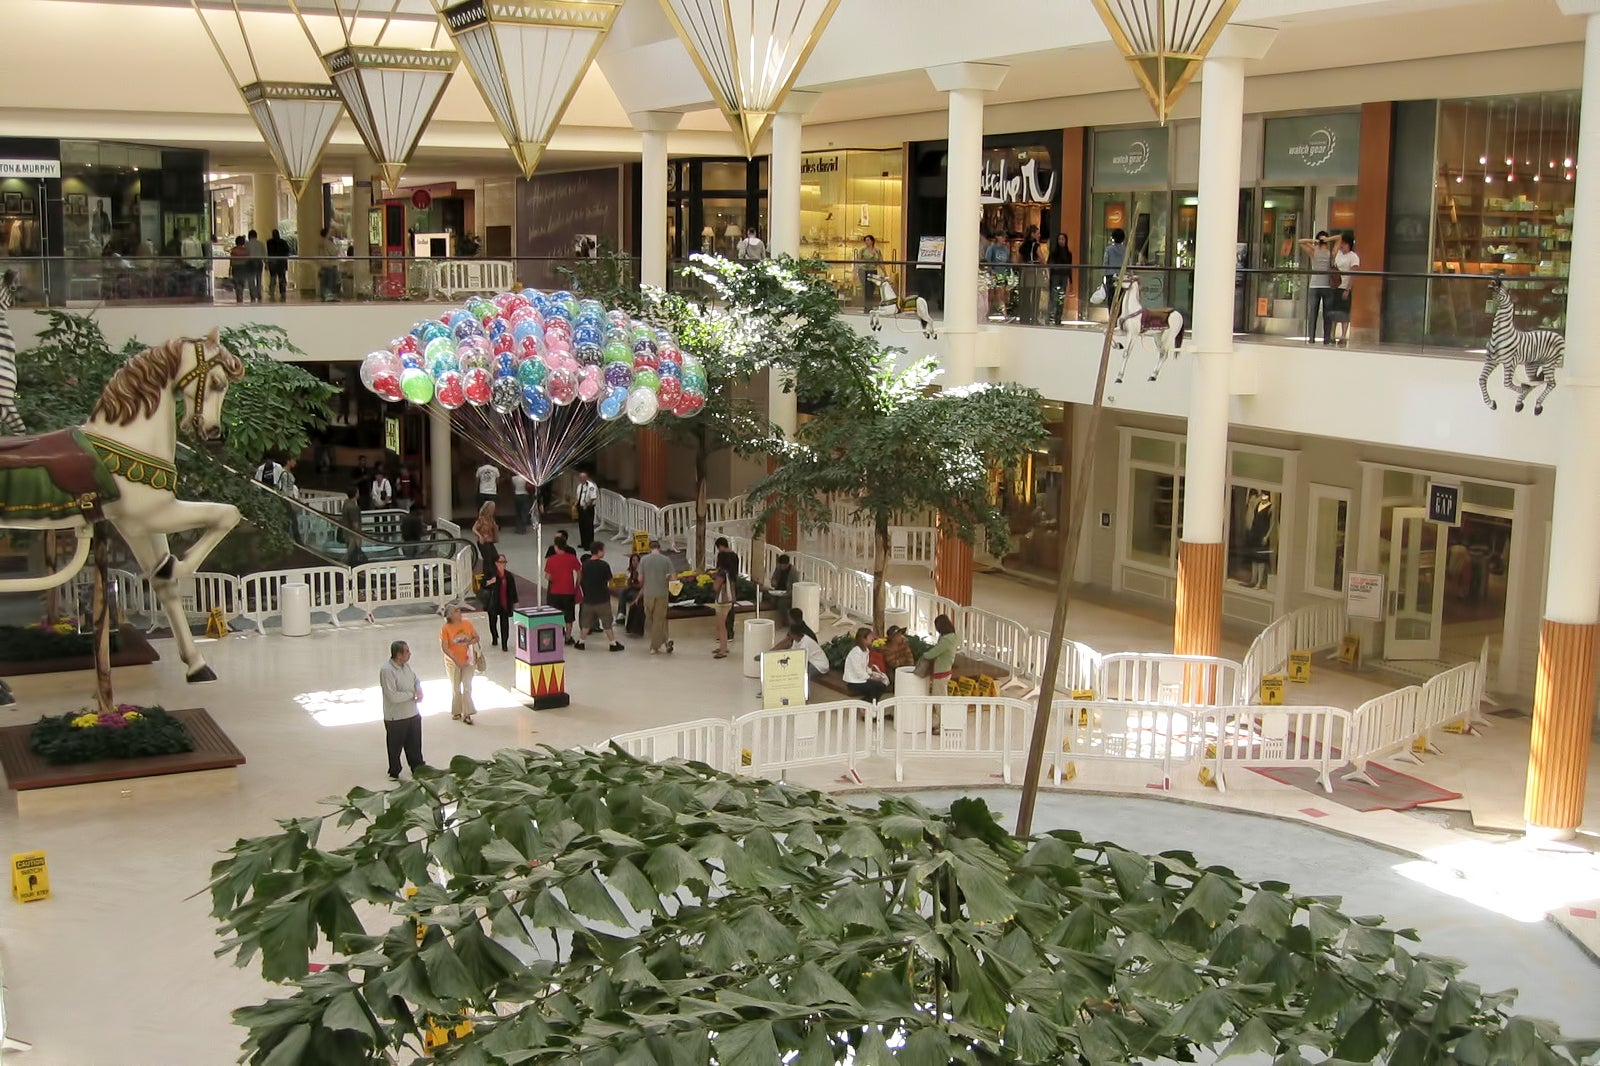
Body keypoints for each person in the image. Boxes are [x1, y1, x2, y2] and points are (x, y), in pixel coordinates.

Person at [379, 640, 424, 781]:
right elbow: (392, 696)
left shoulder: (406, 666)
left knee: (415, 744)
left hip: (412, 713)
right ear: (399, 654)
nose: (410, 654)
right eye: (407, 651)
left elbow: (416, 679)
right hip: (396, 717)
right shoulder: (387, 671)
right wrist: (412, 695)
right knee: (395, 746)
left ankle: (418, 767)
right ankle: (394, 771)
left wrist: (418, 689)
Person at [578, 542, 625, 652]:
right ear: (599, 551)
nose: (604, 552)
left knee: (586, 622)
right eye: (603, 550)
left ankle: (581, 642)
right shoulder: (604, 565)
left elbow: (580, 580)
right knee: (607, 623)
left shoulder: (585, 565)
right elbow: (610, 582)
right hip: (602, 599)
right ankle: (612, 643)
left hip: (588, 599)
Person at [439, 605, 480, 724]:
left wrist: (471, 641)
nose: (459, 612)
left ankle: (467, 713)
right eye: (456, 611)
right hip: (453, 663)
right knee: (456, 687)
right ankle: (457, 710)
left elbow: (476, 637)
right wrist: (455, 660)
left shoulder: (467, 624)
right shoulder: (445, 628)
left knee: (467, 686)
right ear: (450, 615)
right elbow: (445, 647)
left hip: (468, 660)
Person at [1297, 229, 1336, 345]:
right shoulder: (1314, 251)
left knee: (1325, 313)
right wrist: (1314, 241)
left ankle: (1324, 338)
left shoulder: (1330, 253)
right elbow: (1300, 241)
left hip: (1325, 285)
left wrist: (1327, 239)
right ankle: (1313, 338)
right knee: (1315, 313)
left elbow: (1339, 238)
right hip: (1316, 285)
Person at [544, 535, 584, 646]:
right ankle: (568, 637)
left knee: (555, 614)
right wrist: (577, 585)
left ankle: (556, 636)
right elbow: (579, 572)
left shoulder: (551, 560)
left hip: (555, 592)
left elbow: (548, 576)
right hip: (569, 592)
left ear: (556, 547)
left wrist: (554, 579)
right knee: (569, 616)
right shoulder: (572, 558)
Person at [639, 539, 674, 655]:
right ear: (659, 548)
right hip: (662, 594)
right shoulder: (666, 560)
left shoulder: (644, 560)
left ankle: (656, 645)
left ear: (650, 548)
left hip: (648, 594)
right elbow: (673, 578)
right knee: (659, 620)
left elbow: (640, 579)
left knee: (651, 620)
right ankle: (663, 642)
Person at [480, 554, 519, 652]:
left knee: (505, 623)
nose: (503, 564)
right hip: (493, 603)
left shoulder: (508, 576)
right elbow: (482, 584)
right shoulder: (491, 574)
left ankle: (504, 644)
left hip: (505, 603)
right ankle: (494, 637)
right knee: (492, 621)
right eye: (501, 562)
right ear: (496, 563)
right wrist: (490, 582)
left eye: (504, 562)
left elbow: (513, 590)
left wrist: (515, 601)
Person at [843, 626, 890, 702]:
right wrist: (870, 677)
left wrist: (872, 674)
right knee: (880, 686)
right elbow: (858, 671)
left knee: (881, 683)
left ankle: (867, 703)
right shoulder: (856, 653)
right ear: (864, 639)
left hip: (862, 679)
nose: (872, 638)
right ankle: (866, 703)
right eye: (870, 637)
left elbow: (865, 667)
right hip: (855, 681)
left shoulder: (866, 651)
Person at [919, 613, 960, 698]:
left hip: (941, 670)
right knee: (941, 694)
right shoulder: (952, 636)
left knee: (938, 697)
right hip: (946, 668)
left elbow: (933, 653)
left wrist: (923, 655)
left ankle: (941, 711)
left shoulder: (946, 640)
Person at [1331, 232, 1359, 348]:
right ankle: (1332, 335)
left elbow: (1353, 274)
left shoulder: (1353, 257)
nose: (1341, 246)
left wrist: (1348, 289)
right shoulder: (1338, 254)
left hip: (1345, 287)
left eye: (1344, 244)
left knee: (1344, 313)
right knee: (1334, 312)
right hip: (1335, 286)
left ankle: (1343, 336)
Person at [713, 536, 740, 641]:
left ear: (720, 546)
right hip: (732, 583)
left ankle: (723, 634)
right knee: (730, 609)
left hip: (723, 584)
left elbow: (719, 569)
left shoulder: (722, 556)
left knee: (722, 611)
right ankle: (730, 632)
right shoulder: (735, 556)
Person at [983, 231, 1013, 320]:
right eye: (1002, 237)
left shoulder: (1005, 250)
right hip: (993, 274)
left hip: (1002, 274)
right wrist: (990, 272)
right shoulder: (991, 248)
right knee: (990, 296)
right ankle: (986, 314)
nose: (1004, 239)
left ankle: (1004, 314)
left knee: (1001, 295)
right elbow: (988, 261)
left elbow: (1007, 261)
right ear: (997, 237)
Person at [1018, 224, 1044, 325]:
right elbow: (1042, 259)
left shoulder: (1023, 246)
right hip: (1034, 272)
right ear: (1033, 234)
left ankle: (1024, 317)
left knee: (1026, 295)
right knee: (1036, 295)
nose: (1039, 235)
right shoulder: (1035, 245)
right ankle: (1034, 317)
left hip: (1025, 272)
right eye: (1038, 233)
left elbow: (1018, 260)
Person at [1049, 232, 1074, 324]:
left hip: (1064, 276)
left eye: (1063, 239)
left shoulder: (1068, 253)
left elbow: (1070, 267)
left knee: (1061, 297)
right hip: (1055, 276)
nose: (1061, 241)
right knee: (1054, 296)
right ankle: (1051, 316)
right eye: (1059, 239)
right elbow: (1050, 264)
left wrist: (1071, 281)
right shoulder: (1054, 252)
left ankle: (1058, 317)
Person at [1102, 227, 1127, 317]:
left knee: (1111, 298)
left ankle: (1112, 318)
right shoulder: (1126, 250)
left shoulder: (1108, 249)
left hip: (1110, 276)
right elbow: (1128, 263)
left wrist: (1103, 275)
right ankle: (1119, 317)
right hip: (1122, 276)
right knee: (1121, 298)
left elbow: (1105, 262)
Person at [856, 234, 884, 311]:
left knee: (872, 289)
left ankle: (870, 306)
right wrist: (855, 272)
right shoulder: (862, 250)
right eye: (865, 240)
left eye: (868, 240)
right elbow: (857, 261)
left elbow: (880, 262)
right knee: (866, 288)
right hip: (863, 270)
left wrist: (885, 272)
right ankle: (867, 307)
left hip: (873, 270)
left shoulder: (877, 250)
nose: (866, 242)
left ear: (872, 241)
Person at [615, 552, 643, 624]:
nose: (635, 562)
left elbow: (641, 585)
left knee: (625, 593)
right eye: (633, 560)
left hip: (640, 590)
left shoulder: (642, 571)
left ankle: (622, 614)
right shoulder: (630, 571)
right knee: (622, 592)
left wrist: (632, 584)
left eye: (637, 561)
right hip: (632, 589)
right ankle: (621, 614)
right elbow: (628, 582)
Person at [764, 553, 794, 619]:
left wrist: (787, 593)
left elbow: (795, 587)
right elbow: (773, 580)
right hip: (777, 591)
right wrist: (773, 582)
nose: (781, 567)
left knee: (781, 603)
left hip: (788, 594)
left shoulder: (793, 572)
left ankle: (785, 621)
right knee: (765, 594)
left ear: (787, 564)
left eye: (782, 565)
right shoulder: (778, 569)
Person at [574, 470, 598, 549]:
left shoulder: (591, 486)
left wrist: (586, 505)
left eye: (583, 477)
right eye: (580, 477)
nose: (582, 479)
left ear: (586, 477)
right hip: (581, 508)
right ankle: (583, 542)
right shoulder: (580, 486)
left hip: (588, 509)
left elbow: (593, 498)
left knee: (588, 527)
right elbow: (578, 497)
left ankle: (589, 544)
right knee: (582, 526)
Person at [341, 485, 364, 563]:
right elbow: (355, 525)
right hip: (353, 537)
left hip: (347, 534)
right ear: (355, 494)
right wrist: (358, 540)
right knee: (352, 556)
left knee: (351, 555)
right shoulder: (353, 508)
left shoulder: (346, 503)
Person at [473, 501, 499, 568]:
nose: (493, 510)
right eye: (491, 508)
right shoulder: (481, 519)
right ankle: (488, 574)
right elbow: (474, 529)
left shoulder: (491, 519)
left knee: (495, 556)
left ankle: (492, 572)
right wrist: (480, 536)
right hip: (483, 542)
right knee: (488, 559)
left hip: (490, 541)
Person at [317, 226, 340, 301]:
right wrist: (338, 248)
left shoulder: (320, 242)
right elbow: (334, 253)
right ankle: (330, 296)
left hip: (322, 265)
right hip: (330, 265)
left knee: (323, 282)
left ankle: (323, 295)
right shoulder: (328, 243)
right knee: (331, 282)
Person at [265, 228, 289, 301]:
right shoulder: (283, 242)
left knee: (273, 278)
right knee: (281, 278)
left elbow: (268, 253)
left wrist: (267, 263)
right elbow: (287, 252)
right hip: (281, 262)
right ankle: (282, 292)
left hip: (273, 262)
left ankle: (272, 292)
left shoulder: (269, 242)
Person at [244, 228, 266, 303]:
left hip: (250, 262)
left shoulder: (247, 244)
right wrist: (266, 263)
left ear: (249, 236)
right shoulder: (261, 244)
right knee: (259, 279)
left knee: (251, 279)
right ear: (256, 236)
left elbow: (245, 254)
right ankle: (259, 294)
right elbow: (264, 254)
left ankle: (252, 295)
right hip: (259, 262)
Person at [228, 235, 249, 303]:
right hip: (244, 267)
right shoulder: (245, 250)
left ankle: (238, 297)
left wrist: (230, 269)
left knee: (237, 283)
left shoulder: (234, 250)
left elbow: (231, 260)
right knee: (242, 283)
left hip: (236, 268)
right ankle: (241, 296)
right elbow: (247, 260)